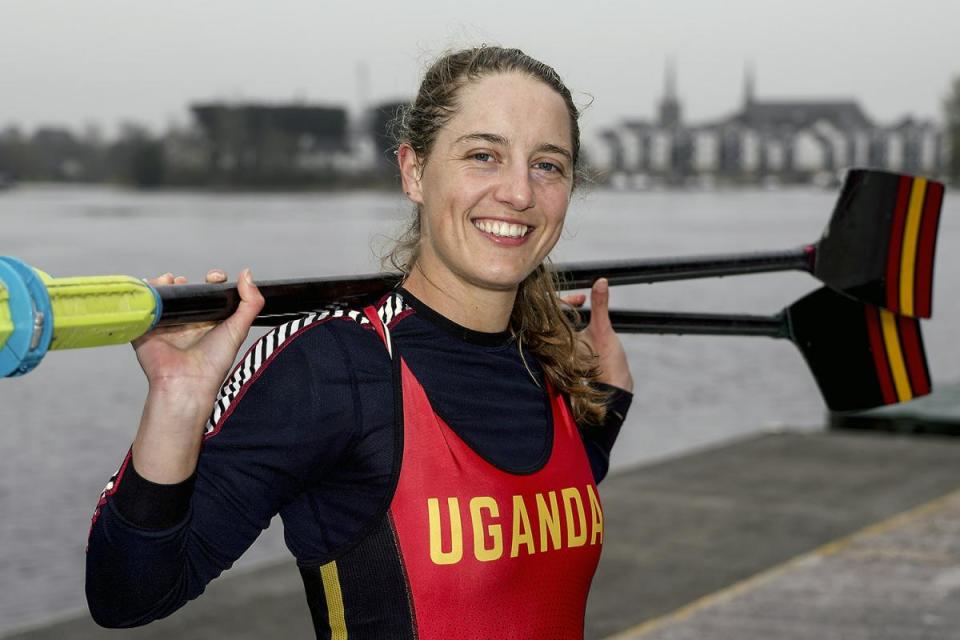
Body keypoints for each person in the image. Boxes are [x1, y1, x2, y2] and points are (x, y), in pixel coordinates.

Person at [86, 45, 634, 639]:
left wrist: (608, 401)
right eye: (484, 155)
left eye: (547, 165)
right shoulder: (338, 367)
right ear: (415, 172)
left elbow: (532, 519)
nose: (519, 192)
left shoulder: (547, 364)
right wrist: (176, 403)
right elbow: (126, 593)